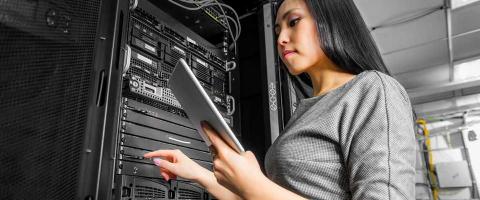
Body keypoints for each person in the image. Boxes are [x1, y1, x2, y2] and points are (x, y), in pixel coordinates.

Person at [144, 0, 416, 199]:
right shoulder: (306, 109)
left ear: (331, 19)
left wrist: (253, 183)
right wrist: (198, 174)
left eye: (293, 22)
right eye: (276, 31)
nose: (282, 39)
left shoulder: (372, 90)